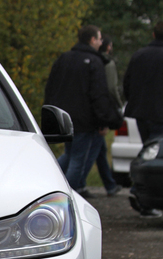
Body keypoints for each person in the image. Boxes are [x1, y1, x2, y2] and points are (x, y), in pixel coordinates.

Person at [44, 25, 122, 198]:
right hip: (84, 119)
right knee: (77, 160)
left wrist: (50, 112)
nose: (101, 42)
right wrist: (106, 119)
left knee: (68, 154)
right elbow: (98, 94)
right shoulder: (94, 62)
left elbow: (51, 87)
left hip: (63, 117)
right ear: (92, 40)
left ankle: (47, 182)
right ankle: (65, 196)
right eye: (100, 38)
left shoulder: (64, 58)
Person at [123, 21, 163, 217]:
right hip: (160, 115)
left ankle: (142, 195)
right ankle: (140, 193)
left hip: (141, 113)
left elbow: (127, 83)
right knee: (155, 155)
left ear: (154, 34)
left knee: (148, 151)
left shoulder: (139, 55)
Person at [81, 34, 122, 197]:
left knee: (99, 149)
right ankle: (79, 183)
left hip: (91, 109)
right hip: (100, 110)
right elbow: (110, 89)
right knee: (92, 149)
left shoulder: (89, 60)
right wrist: (116, 107)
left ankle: (109, 184)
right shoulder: (106, 63)